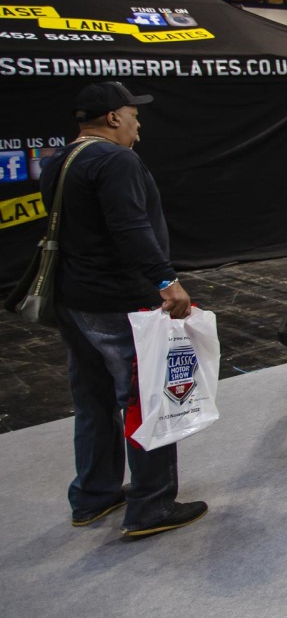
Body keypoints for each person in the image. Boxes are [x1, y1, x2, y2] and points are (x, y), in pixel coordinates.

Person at [42, 81, 207, 538]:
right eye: (133, 113)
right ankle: (151, 506)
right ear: (113, 118)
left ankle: (93, 496)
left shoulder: (60, 161)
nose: (139, 122)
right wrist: (166, 281)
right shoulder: (116, 159)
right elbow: (130, 226)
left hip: (75, 301)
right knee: (146, 398)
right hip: (121, 301)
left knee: (92, 401)